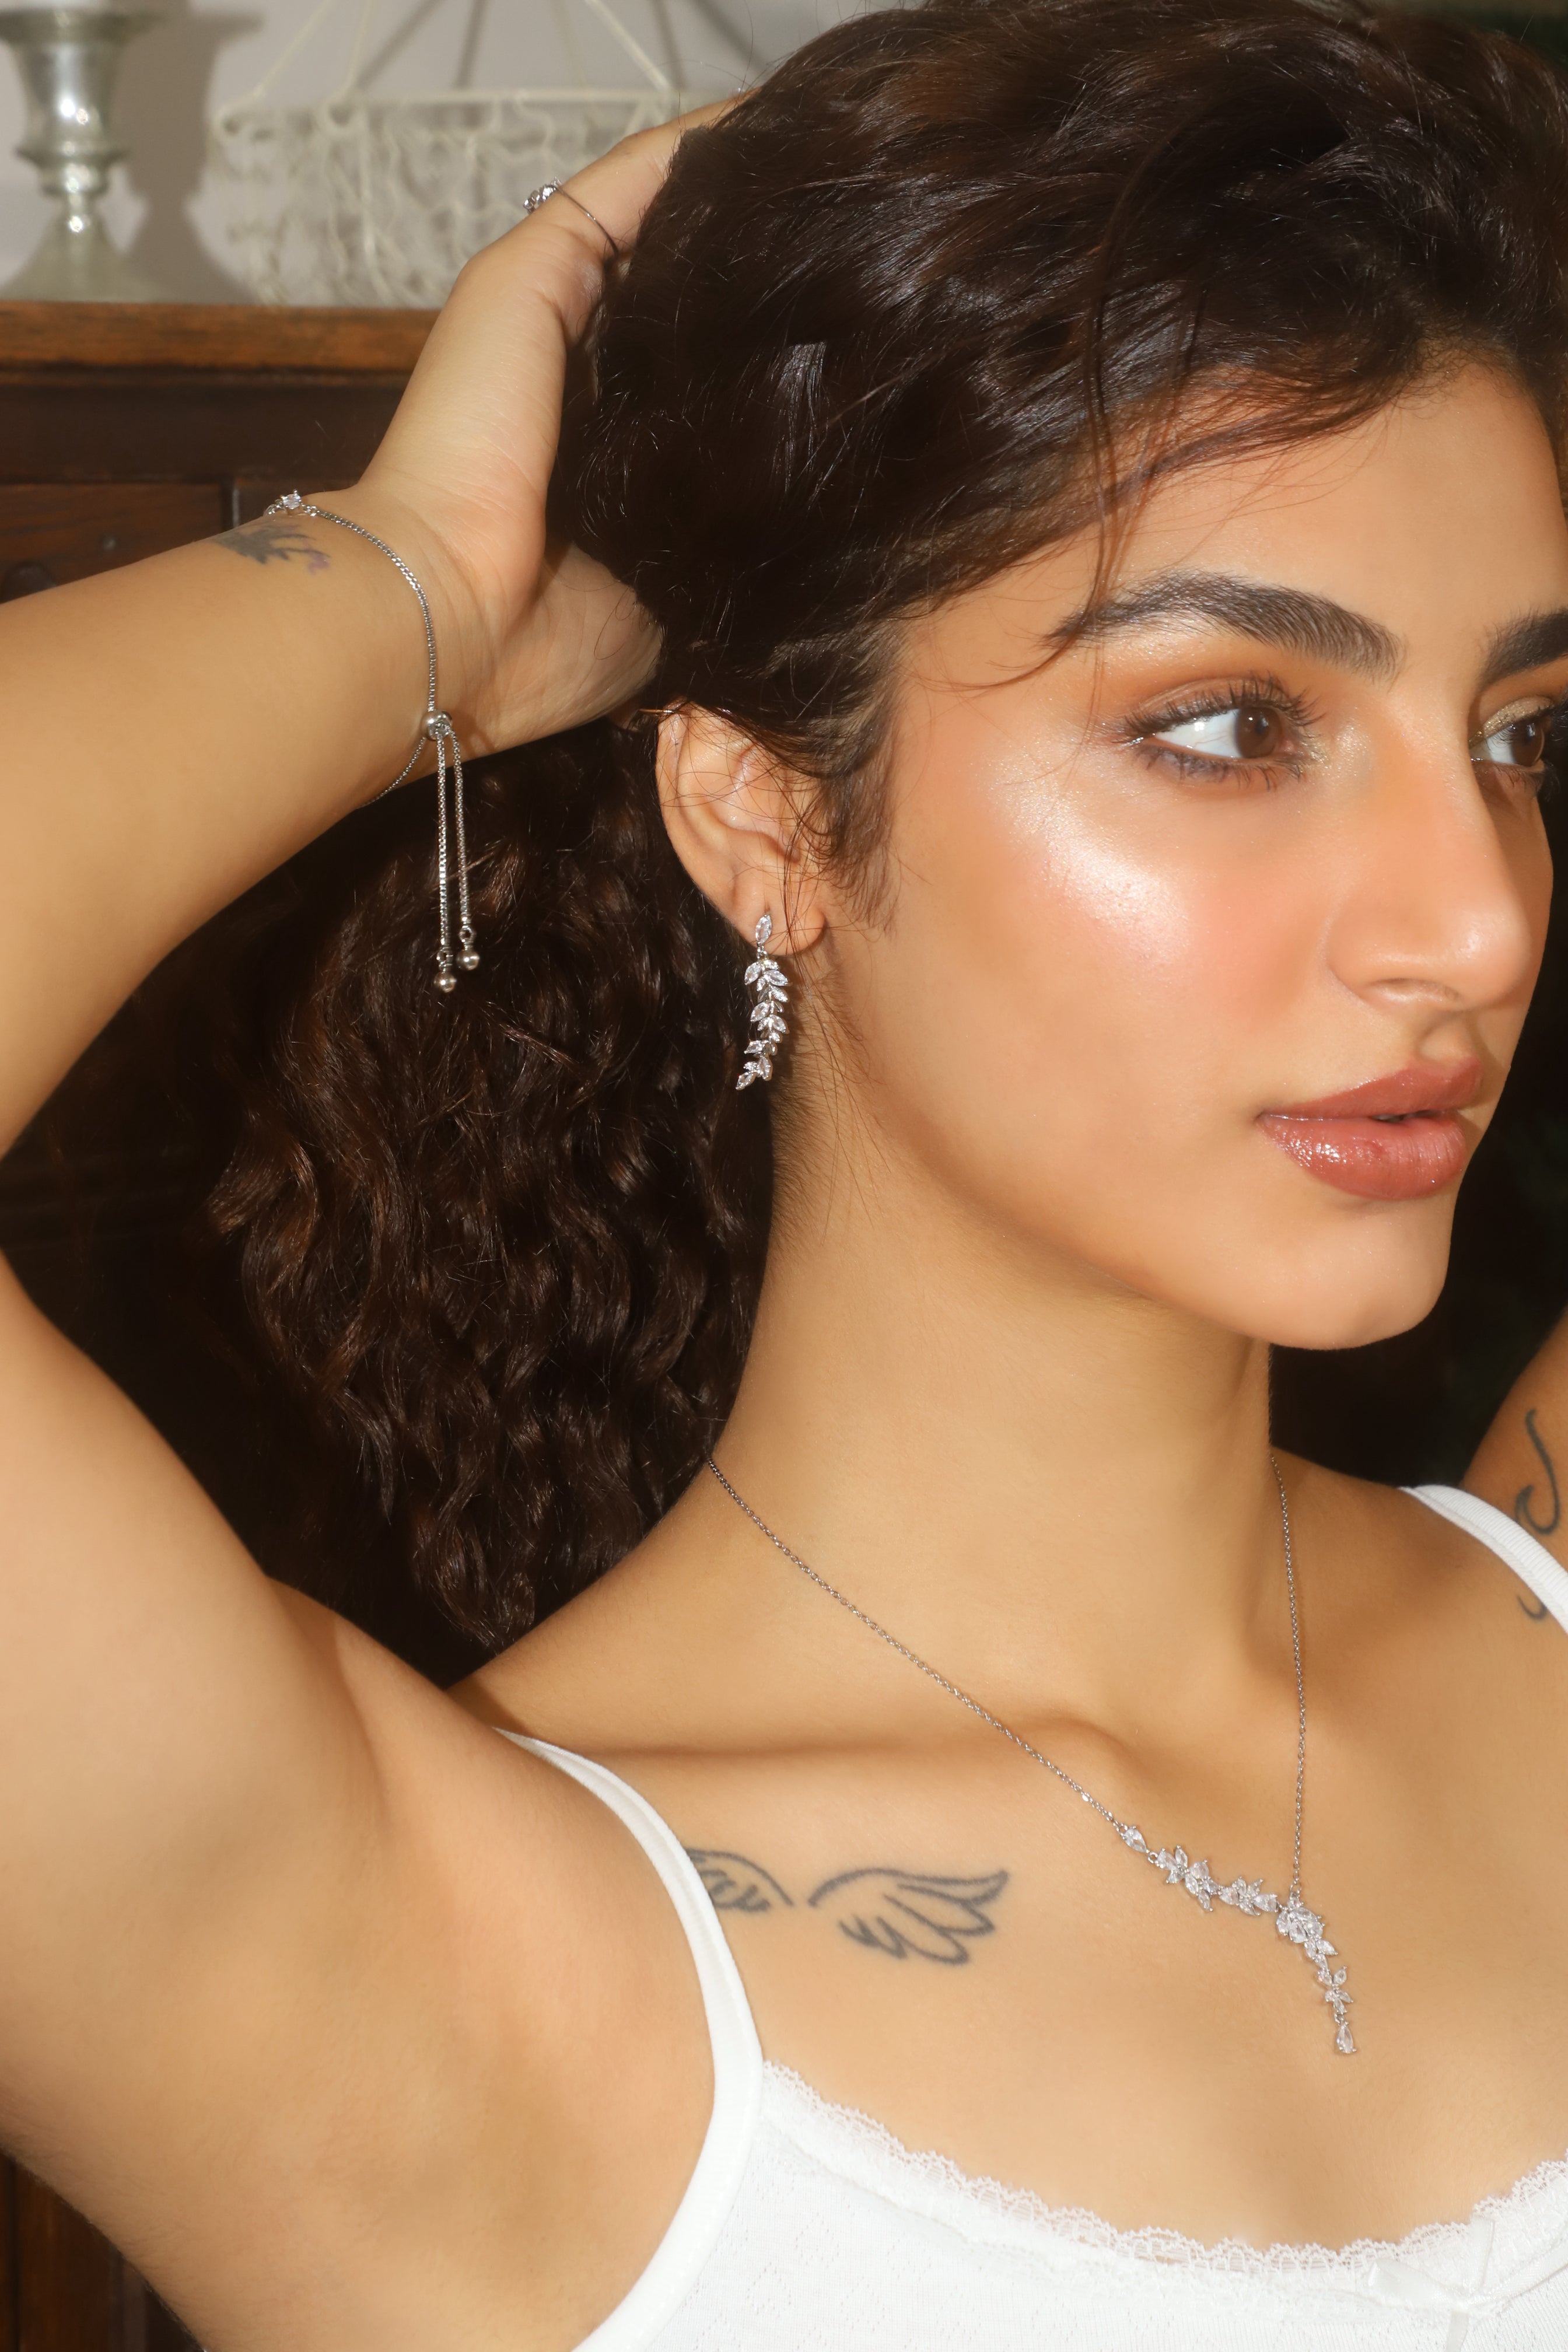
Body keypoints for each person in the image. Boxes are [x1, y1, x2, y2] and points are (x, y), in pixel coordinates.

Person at [7, 0, 1568, 2340]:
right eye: (1231, 724)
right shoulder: (431, 1971)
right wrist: (417, 586)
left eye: (1523, 737)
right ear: (764, 820)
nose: (1480, 921)